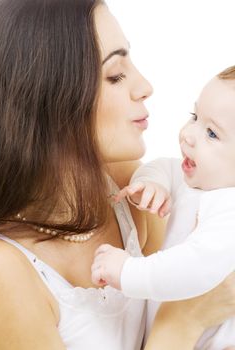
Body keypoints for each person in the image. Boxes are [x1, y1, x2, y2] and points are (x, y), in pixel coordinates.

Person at [0, 1, 235, 349]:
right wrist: (185, 318)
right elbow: (171, 316)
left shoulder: (131, 191)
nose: (145, 86)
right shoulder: (6, 274)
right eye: (116, 75)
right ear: (49, 99)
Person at [91, 65, 235, 349]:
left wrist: (127, 272)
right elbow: (163, 168)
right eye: (194, 117)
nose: (188, 135)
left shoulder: (229, 210)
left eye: (212, 134)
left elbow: (193, 267)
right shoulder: (201, 181)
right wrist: (152, 183)